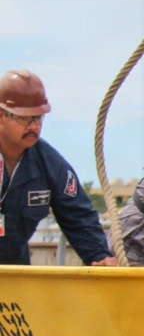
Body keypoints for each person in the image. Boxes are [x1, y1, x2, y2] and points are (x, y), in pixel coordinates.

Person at [0, 70, 116, 268]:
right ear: (1, 116)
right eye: (24, 119)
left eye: (38, 118)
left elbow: (78, 216)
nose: (33, 127)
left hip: (14, 274)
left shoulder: (50, 165)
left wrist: (99, 256)